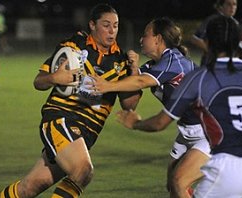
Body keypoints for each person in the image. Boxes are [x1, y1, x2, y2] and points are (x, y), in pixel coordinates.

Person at [0, 4, 141, 198]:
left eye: (115, 26)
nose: (112, 30)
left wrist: (134, 71)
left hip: (86, 133)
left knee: (29, 188)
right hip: (61, 119)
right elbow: (38, 81)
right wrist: (53, 78)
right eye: (106, 25)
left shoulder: (122, 61)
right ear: (92, 25)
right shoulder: (73, 47)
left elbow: (129, 105)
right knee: (83, 170)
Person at [116, 15, 242, 197]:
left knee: (179, 182)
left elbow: (160, 122)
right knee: (174, 184)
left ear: (206, 43)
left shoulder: (199, 77)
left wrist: (135, 122)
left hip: (222, 155)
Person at [90, 17, 210, 198]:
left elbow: (140, 81)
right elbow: (131, 99)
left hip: (211, 132)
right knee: (174, 186)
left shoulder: (174, 61)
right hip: (188, 131)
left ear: (158, 39)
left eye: (145, 35)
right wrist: (134, 68)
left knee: (179, 181)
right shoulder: (155, 66)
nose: (141, 40)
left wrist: (105, 85)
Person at [190, 0, 237, 66]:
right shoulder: (212, 20)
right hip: (210, 63)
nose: (232, 7)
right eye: (229, 4)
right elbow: (195, 38)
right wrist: (212, 52)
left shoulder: (236, 24)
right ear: (221, 7)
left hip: (227, 65)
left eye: (234, 4)